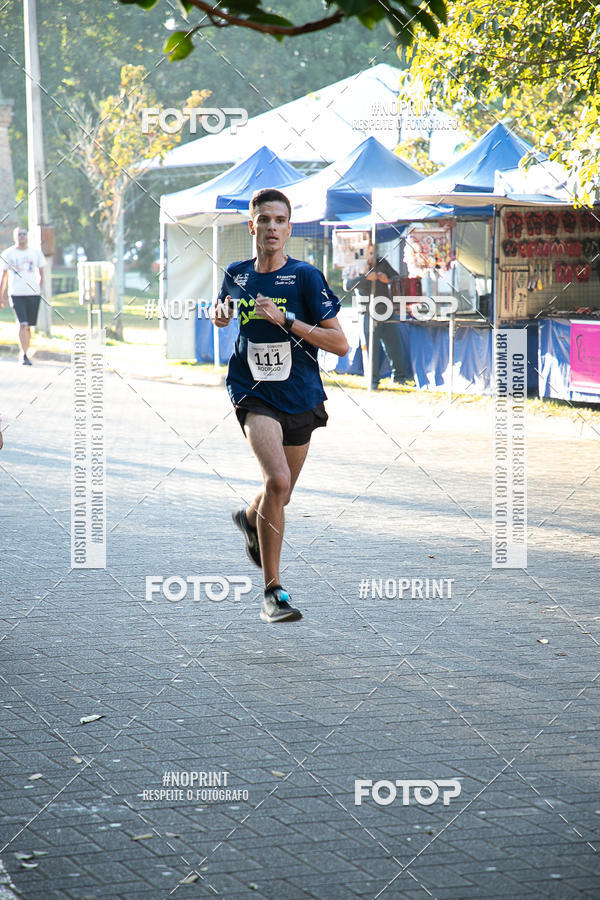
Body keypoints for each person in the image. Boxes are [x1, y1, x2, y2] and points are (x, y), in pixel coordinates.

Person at [213, 188, 349, 624]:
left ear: (289, 228)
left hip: (301, 395)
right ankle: (273, 593)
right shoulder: (235, 274)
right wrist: (218, 314)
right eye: (264, 219)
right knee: (276, 479)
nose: (271, 227)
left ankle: (250, 519)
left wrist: (287, 320)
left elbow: (341, 345)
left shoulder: (306, 277)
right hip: (254, 392)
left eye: (279, 220)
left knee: (281, 494)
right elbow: (224, 309)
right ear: (251, 226)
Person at [345, 243, 411, 389]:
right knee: (370, 349)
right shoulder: (354, 266)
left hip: (387, 311)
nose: (371, 255)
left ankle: (400, 378)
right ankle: (373, 380)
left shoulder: (382, 262)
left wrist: (387, 279)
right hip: (367, 313)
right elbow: (348, 285)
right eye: (368, 252)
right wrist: (365, 278)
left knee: (395, 347)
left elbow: (396, 278)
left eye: (372, 251)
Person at [0, 226, 46, 365]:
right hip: (16, 293)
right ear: (15, 237)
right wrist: (1, 295)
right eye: (19, 234)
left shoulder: (35, 253)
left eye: (24, 234)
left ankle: (25, 350)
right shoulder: (8, 254)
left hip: (32, 293)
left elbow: (42, 272)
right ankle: (24, 354)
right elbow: (4, 275)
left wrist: (40, 288)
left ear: (27, 236)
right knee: (22, 323)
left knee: (28, 326)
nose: (22, 237)